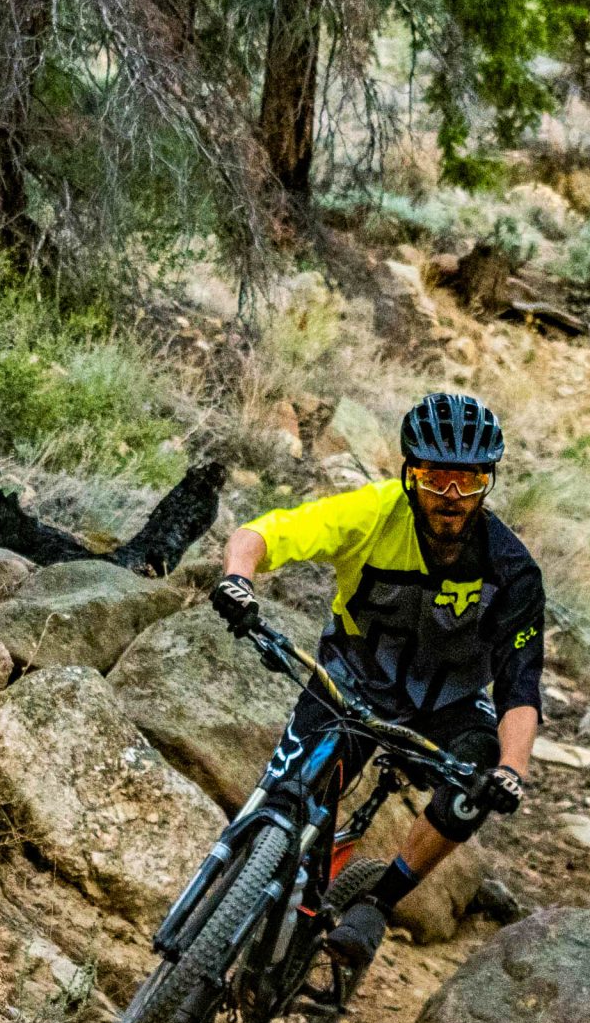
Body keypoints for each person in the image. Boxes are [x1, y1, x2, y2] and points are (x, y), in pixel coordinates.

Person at [208, 391, 544, 972]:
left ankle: (378, 903)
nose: (451, 498)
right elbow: (266, 534)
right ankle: (237, 912)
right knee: (290, 793)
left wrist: (512, 771)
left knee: (479, 771)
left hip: (448, 706)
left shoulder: (512, 571)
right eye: (437, 479)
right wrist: (239, 580)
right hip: (352, 679)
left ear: (488, 483)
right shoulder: (372, 513)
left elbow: (520, 687)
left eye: (468, 483)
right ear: (411, 474)